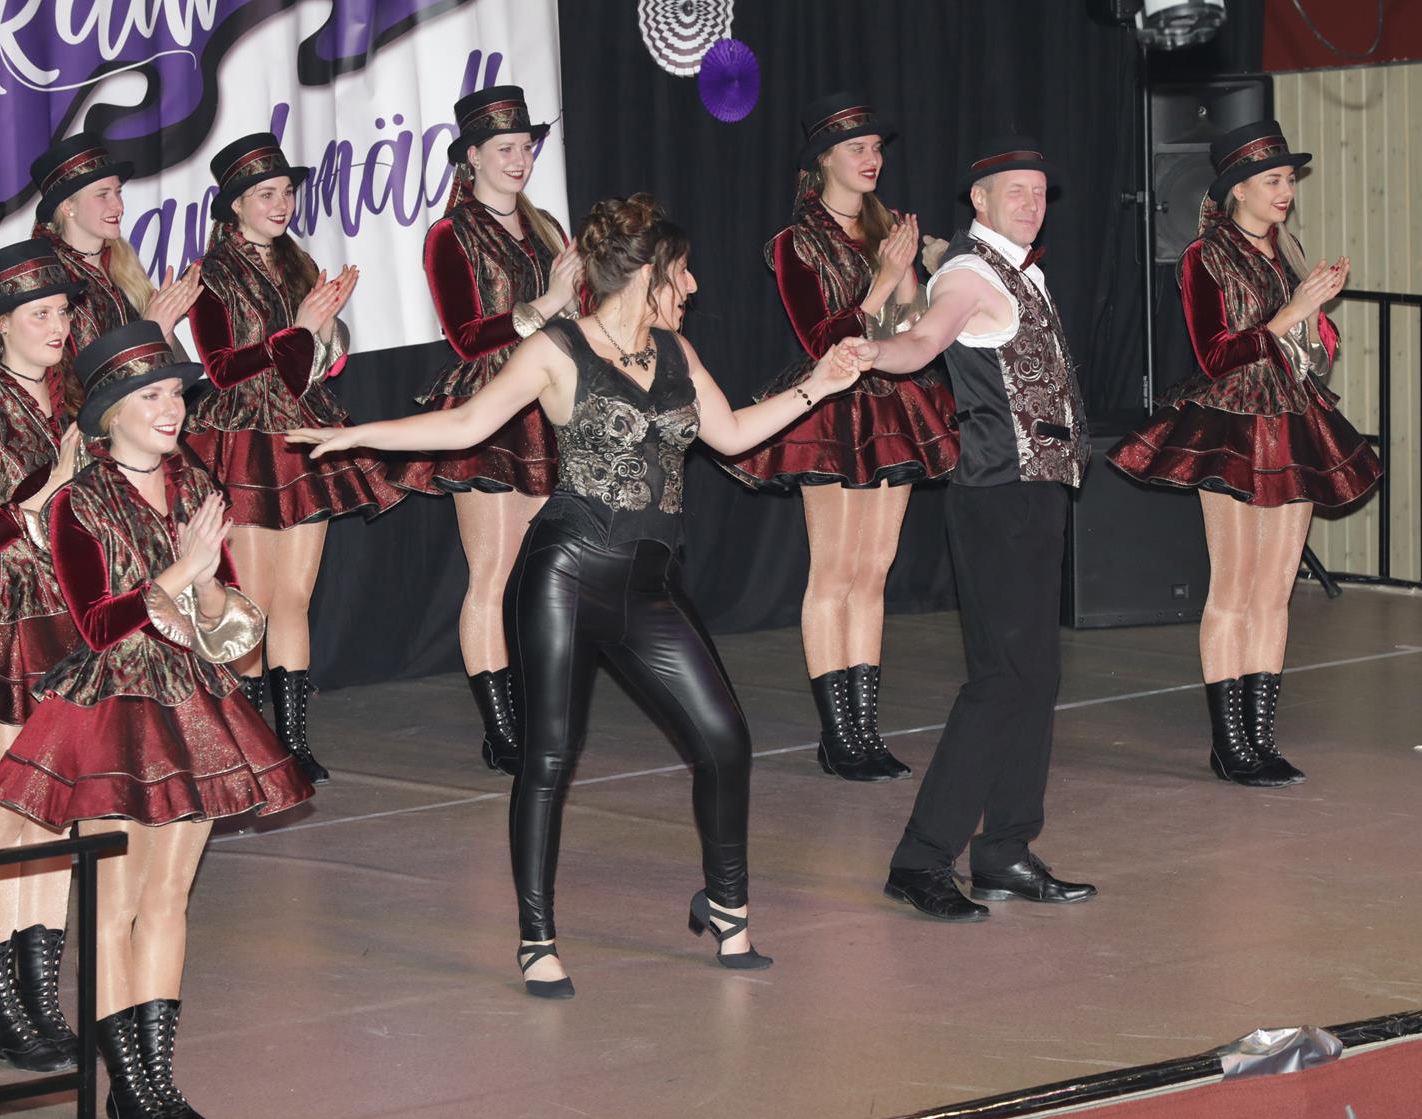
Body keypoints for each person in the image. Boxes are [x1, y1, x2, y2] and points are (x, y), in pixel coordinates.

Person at [290, 194, 870, 996]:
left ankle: (725, 906)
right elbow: (465, 425)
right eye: (681, 271)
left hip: (650, 588)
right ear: (645, 272)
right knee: (549, 758)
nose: (692, 285)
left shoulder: (675, 350)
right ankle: (536, 936)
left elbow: (732, 434)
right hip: (565, 572)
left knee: (725, 739)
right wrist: (360, 434)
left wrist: (821, 383)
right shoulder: (557, 348)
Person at [0, 320, 314, 1119]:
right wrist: (181, 572)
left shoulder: (196, 485)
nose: (171, 409)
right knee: (117, 902)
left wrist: (207, 586)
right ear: (109, 412)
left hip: (192, 705)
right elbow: (97, 625)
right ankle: (126, 1082)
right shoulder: (78, 501)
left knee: (170, 895)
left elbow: (231, 626)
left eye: (174, 394)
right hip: (112, 715)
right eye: (152, 396)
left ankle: (156, 1081)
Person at [854, 137, 1096, 922]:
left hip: (1035, 496)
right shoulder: (966, 273)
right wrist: (871, 352)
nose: (1031, 202)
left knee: (1035, 678)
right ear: (979, 201)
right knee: (1000, 680)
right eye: (1014, 191)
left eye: (1038, 191)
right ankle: (920, 858)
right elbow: (923, 342)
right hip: (997, 498)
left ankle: (1004, 852)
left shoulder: (1024, 274)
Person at [1108, 121, 1381, 787]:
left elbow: (1312, 354)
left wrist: (1315, 315)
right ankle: (1228, 743)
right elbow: (1215, 355)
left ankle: (1260, 739)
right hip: (1229, 424)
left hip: (1290, 419)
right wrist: (1292, 311)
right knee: (1232, 588)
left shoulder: (1283, 253)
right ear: (1238, 189)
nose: (1285, 190)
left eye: (1288, 179)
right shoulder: (1205, 255)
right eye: (1272, 180)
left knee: (1274, 592)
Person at [722, 93, 958, 782]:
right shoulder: (794, 242)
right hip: (831, 410)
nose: (872, 158)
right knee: (835, 570)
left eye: (876, 148)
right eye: (857, 148)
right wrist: (882, 281)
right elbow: (820, 338)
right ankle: (837, 735)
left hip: (894, 403)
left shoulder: (888, 227)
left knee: (874, 568)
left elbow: (912, 329)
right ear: (823, 159)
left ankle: (864, 729)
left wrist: (917, 280)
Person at [185, 132, 405, 784]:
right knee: (251, 602)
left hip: (302, 432)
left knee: (295, 597)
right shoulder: (212, 273)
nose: (281, 204)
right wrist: (301, 328)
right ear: (234, 205)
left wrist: (327, 329)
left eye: (285, 192)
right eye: (265, 194)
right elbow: (221, 369)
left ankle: (294, 745)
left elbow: (324, 367)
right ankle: (248, 747)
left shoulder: (299, 261)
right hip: (244, 438)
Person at [388, 87, 579, 776]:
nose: (519, 159)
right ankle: (502, 729)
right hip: (491, 409)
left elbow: (576, 316)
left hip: (547, 402)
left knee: (541, 575)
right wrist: (547, 303)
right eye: (505, 148)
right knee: (493, 573)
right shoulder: (450, 233)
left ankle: (533, 710)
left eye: (526, 146)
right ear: (471, 157)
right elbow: (466, 336)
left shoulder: (546, 227)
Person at [0, 240, 85, 1074]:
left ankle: (42, 991)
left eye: (63, 311)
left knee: (57, 810)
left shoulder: (73, 396)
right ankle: (3, 1005)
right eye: (39, 313)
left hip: (71, 619)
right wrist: (36, 504)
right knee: (3, 812)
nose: (58, 326)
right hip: (0, 621)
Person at [29, 132, 200, 354]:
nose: (119, 206)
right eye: (103, 195)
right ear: (67, 206)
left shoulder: (123, 264)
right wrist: (151, 331)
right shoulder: (48, 278)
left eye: (118, 193)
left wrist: (163, 330)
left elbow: (164, 367)